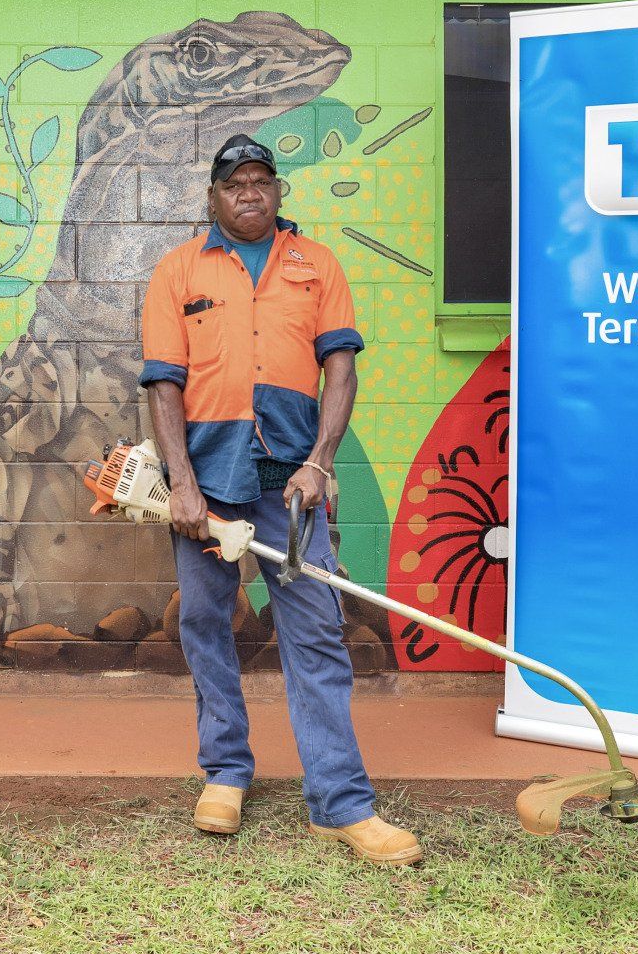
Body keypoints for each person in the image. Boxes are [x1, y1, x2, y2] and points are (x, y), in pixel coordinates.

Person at [139, 134, 422, 867]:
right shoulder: (178, 271)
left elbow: (341, 370)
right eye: (235, 184)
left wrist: (319, 465)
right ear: (213, 197)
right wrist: (183, 483)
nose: (250, 193)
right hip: (208, 482)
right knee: (207, 623)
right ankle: (225, 774)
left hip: (289, 481)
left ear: (278, 192)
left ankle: (340, 803)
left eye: (262, 181)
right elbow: (164, 385)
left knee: (316, 634)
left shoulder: (316, 264)